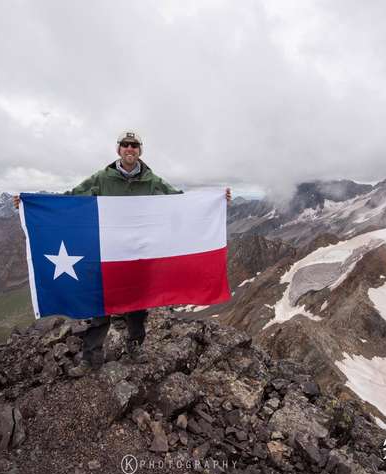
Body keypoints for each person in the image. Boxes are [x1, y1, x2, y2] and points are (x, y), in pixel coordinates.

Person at [14, 130, 231, 377]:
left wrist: (215, 201)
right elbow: (72, 198)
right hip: (106, 253)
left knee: (138, 307)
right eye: (126, 145)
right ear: (118, 150)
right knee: (99, 308)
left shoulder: (152, 181)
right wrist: (31, 204)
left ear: (140, 150)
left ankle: (135, 348)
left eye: (135, 145)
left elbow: (179, 202)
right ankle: (91, 358)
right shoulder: (102, 178)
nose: (130, 149)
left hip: (138, 256)